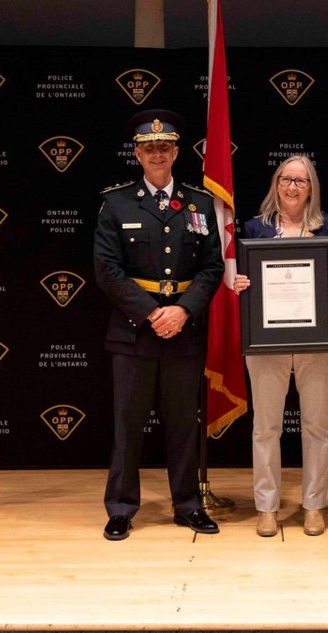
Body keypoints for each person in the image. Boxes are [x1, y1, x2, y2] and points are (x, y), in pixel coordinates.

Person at [93, 109, 224, 541]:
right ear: (136, 152)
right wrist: (152, 313)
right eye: (149, 147)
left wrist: (183, 310)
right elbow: (107, 270)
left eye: (164, 146)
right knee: (127, 425)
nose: (157, 153)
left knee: (184, 423)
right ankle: (121, 507)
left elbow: (211, 268)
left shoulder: (199, 203)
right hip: (134, 332)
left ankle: (188, 505)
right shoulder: (116, 202)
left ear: (175, 151)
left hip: (183, 330)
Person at [232, 155, 328, 537]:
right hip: (268, 342)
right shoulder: (254, 228)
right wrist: (241, 287)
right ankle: (267, 507)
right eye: (286, 179)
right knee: (265, 427)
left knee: (318, 426)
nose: (293, 187)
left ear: (311, 187)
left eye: (301, 180)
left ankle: (314, 505)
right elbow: (241, 281)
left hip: (318, 341)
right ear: (276, 184)